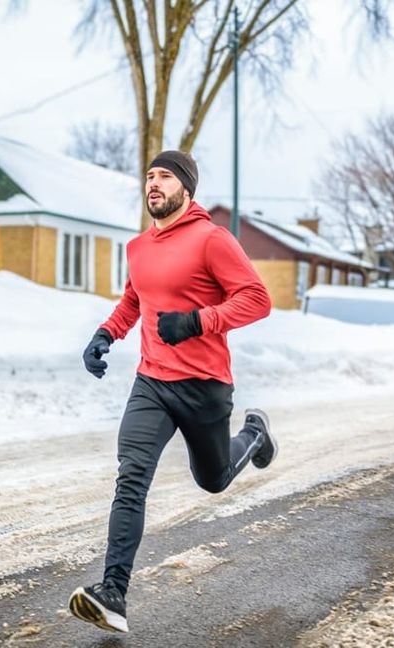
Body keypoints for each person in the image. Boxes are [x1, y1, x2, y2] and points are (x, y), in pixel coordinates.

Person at [68, 150, 277, 634]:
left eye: (164, 176)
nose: (153, 184)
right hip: (153, 383)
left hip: (204, 387)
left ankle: (255, 435)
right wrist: (106, 333)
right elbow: (134, 299)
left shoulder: (212, 239)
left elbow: (257, 299)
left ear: (186, 187)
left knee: (214, 478)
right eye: (149, 177)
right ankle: (113, 592)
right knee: (131, 476)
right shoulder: (140, 247)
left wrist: (199, 320)